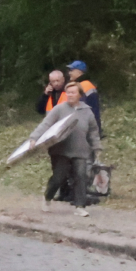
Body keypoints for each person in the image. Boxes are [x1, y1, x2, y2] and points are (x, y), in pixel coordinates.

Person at [26, 80, 101, 216]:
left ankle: (80, 206)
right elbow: (45, 124)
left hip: (80, 150)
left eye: (73, 92)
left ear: (80, 94)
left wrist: (97, 147)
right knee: (58, 177)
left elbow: (93, 132)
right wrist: (34, 138)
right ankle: (48, 197)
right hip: (61, 150)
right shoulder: (59, 109)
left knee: (81, 176)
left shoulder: (87, 111)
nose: (70, 95)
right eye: (68, 92)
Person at [66, 60, 102, 135]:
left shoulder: (83, 86)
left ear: (79, 72)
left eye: (72, 70)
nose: (69, 73)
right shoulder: (83, 84)